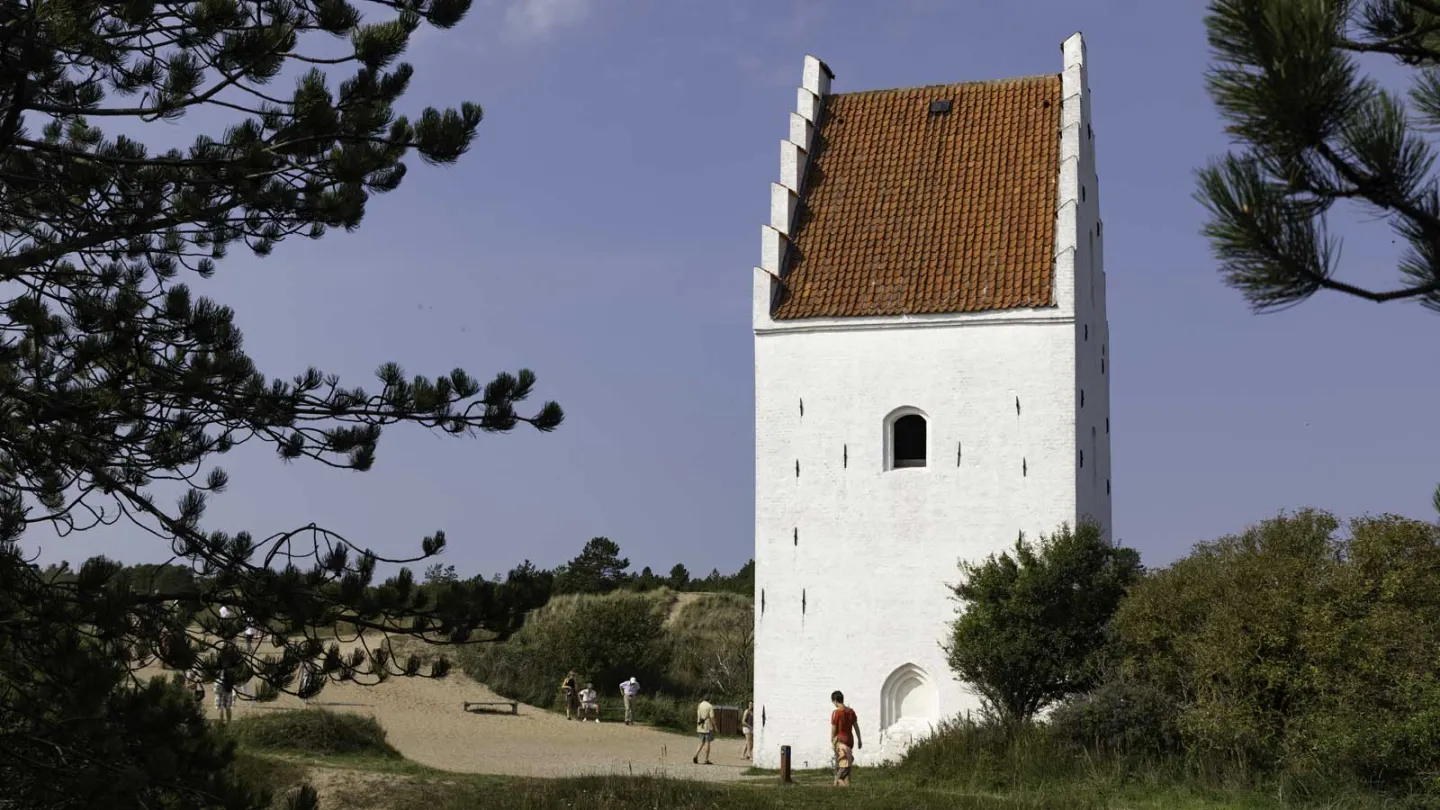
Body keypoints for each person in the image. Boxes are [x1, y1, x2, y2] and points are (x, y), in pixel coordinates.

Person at [829, 690, 861, 787]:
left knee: (840, 763)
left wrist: (832, 741)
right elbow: (856, 726)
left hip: (840, 740)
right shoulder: (851, 712)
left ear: (835, 700)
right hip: (850, 739)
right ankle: (848, 785)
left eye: (833, 701)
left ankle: (838, 784)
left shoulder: (836, 713)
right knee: (847, 763)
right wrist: (859, 739)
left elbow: (834, 729)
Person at [693, 693, 715, 765]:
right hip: (707, 726)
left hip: (700, 725)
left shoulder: (699, 705)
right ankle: (706, 759)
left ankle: (696, 755)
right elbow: (712, 717)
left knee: (701, 742)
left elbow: (698, 715)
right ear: (709, 699)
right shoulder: (710, 706)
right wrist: (715, 726)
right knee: (708, 742)